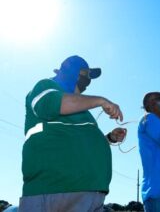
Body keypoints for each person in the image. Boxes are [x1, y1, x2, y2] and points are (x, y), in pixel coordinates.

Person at [19, 55, 126, 212]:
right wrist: (101, 100)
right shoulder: (46, 85)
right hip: (56, 192)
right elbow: (52, 104)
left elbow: (81, 143)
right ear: (69, 71)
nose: (88, 81)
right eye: (85, 74)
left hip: (92, 196)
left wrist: (109, 138)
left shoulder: (81, 107)